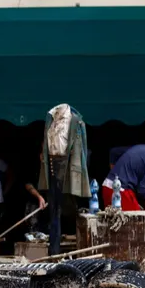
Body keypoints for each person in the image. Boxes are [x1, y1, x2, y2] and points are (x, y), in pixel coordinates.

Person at [37, 104, 91, 255]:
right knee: (54, 209)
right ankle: (54, 250)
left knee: (71, 206)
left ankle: (80, 247)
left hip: (67, 166)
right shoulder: (50, 118)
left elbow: (83, 150)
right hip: (52, 166)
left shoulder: (75, 121)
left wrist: (82, 172)